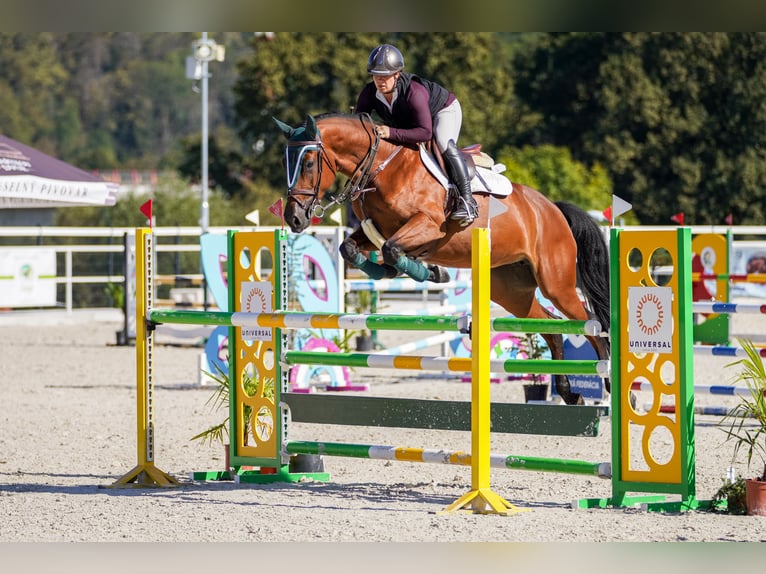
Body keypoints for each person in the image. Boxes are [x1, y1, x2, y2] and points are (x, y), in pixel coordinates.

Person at [354, 44, 479, 227]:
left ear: (397, 74)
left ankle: (468, 201)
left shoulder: (414, 92)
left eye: (385, 76)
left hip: (443, 111)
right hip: (412, 120)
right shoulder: (369, 93)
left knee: (443, 142)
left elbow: (425, 132)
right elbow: (359, 122)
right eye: (376, 75)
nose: (380, 80)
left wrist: (390, 132)